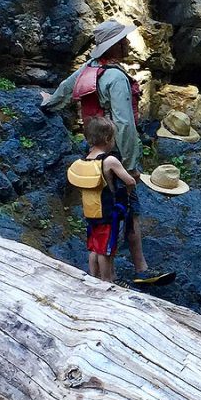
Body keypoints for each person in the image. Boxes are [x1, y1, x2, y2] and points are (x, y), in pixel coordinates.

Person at [44, 19, 168, 286]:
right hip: (115, 154)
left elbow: (64, 91)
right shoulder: (115, 78)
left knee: (98, 212)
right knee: (128, 209)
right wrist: (132, 163)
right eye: (122, 41)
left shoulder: (89, 69)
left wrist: (48, 103)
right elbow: (124, 124)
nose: (126, 44)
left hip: (91, 150)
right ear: (114, 45)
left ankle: (98, 275)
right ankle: (139, 269)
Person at [68, 117, 138, 283]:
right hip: (107, 213)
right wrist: (127, 191)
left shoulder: (85, 161)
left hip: (90, 212)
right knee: (106, 250)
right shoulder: (109, 161)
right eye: (113, 138)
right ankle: (107, 281)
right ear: (107, 139)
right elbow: (130, 181)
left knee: (93, 247)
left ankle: (93, 277)